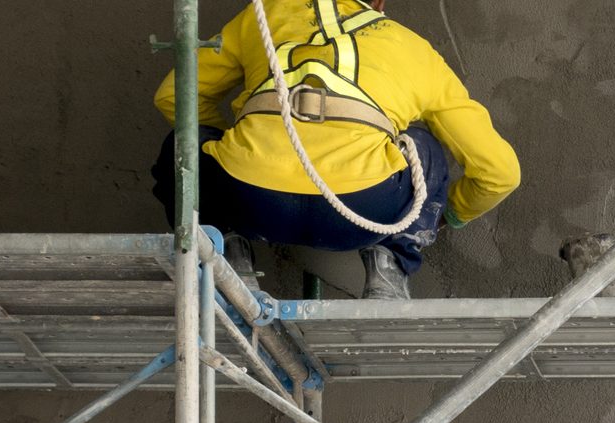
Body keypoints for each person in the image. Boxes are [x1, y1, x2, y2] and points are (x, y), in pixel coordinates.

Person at [151, 0, 520, 298]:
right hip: (367, 208)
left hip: (251, 201)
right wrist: (442, 215)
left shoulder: (263, 14)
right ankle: (391, 263)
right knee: (424, 146)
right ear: (379, 3)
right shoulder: (410, 45)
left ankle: (224, 256)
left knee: (186, 145)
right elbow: (499, 172)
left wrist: (242, 144)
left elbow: (174, 95)